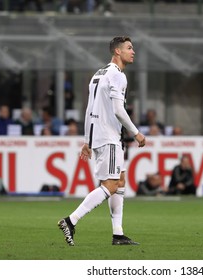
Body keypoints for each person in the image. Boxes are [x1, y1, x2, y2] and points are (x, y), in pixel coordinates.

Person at [57, 36, 146, 246]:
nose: (133, 52)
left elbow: (89, 110)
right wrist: (136, 132)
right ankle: (71, 220)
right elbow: (118, 110)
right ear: (117, 51)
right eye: (129, 48)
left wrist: (88, 140)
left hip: (98, 135)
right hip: (109, 136)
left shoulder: (98, 74)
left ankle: (118, 234)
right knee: (111, 185)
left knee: (120, 181)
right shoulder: (118, 76)